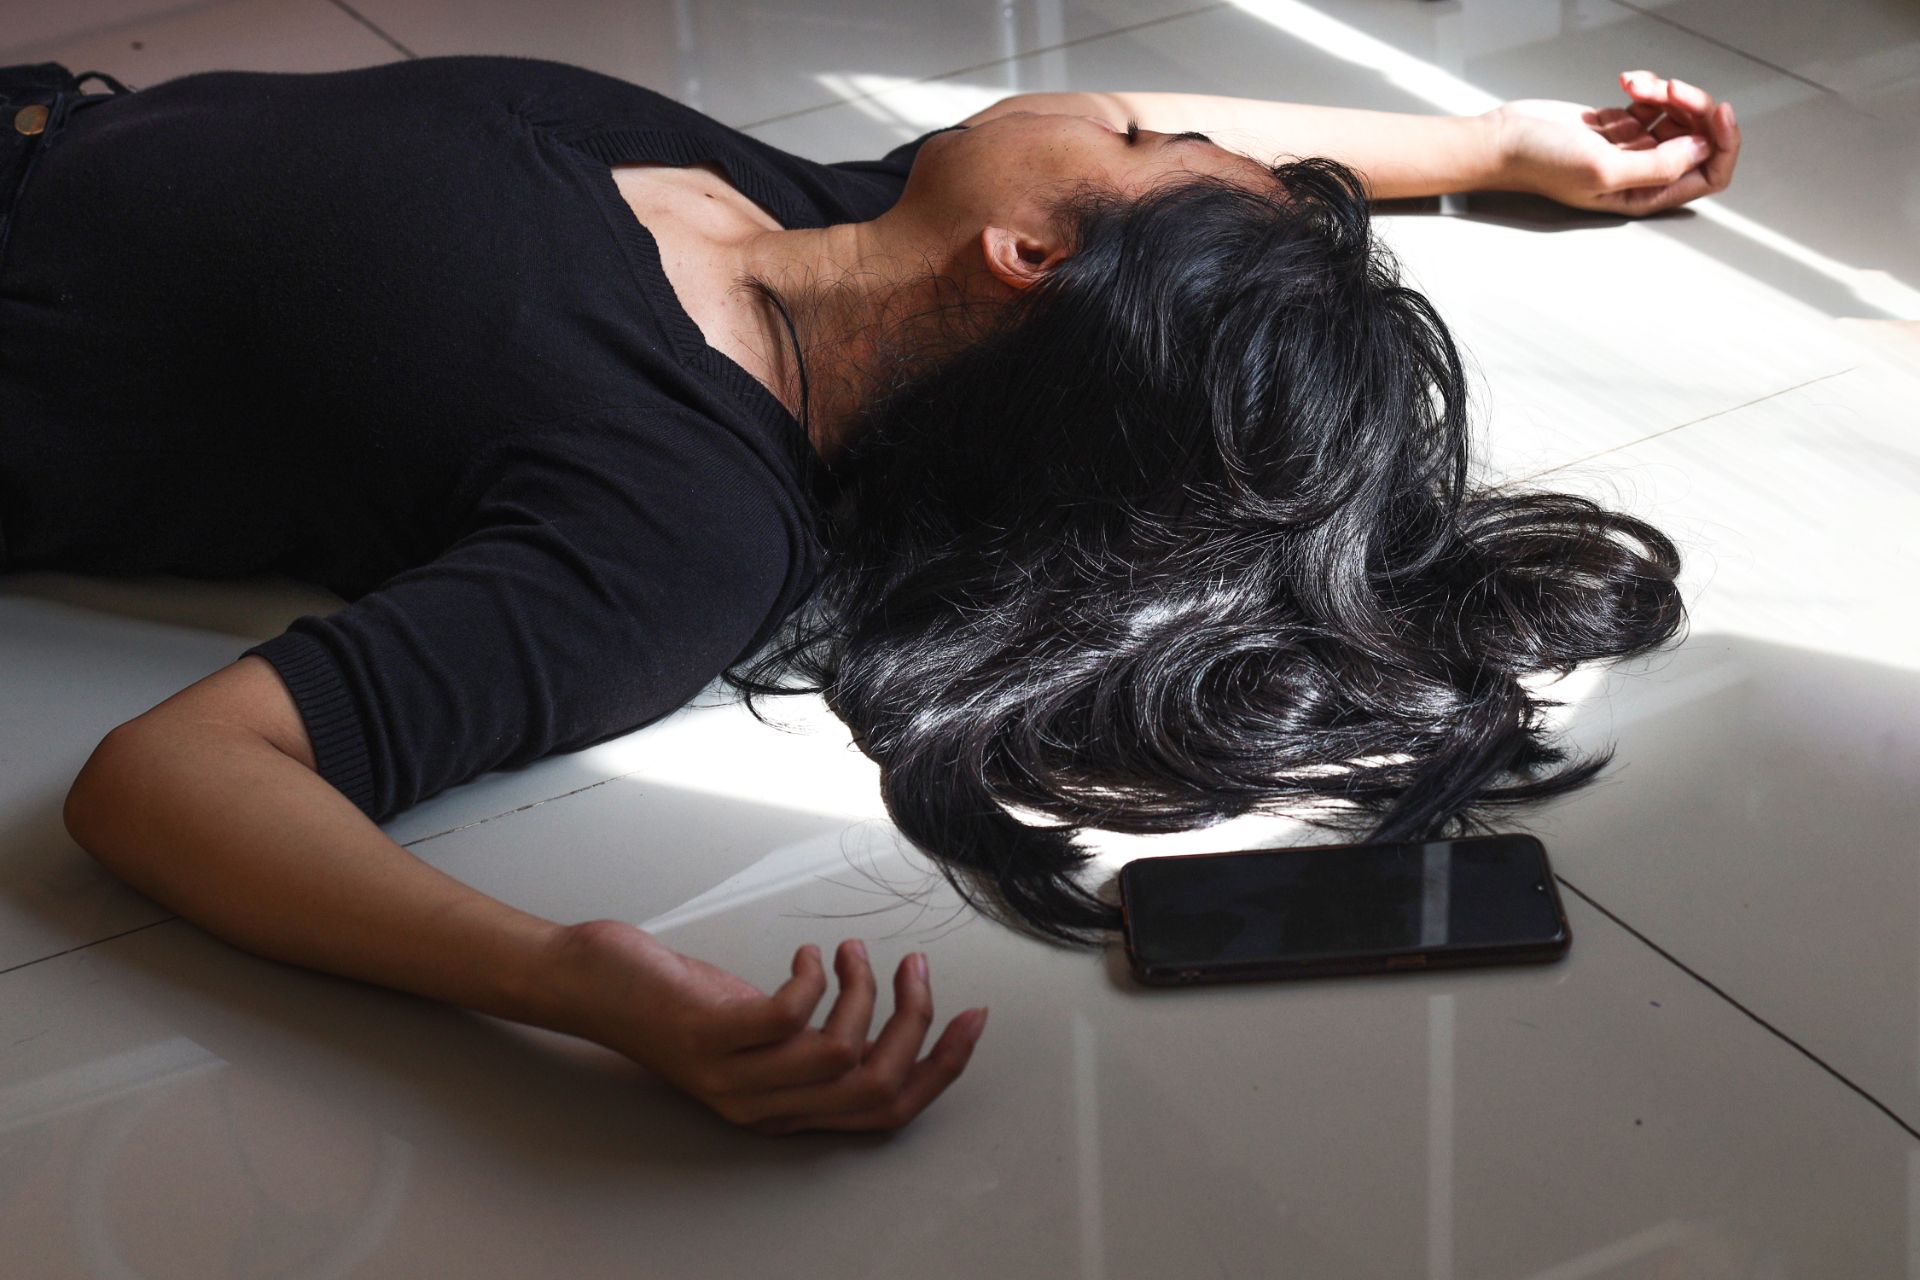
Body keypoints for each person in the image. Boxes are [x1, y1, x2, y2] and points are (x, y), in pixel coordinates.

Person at [3, 56, 1737, 1135]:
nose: (1120, 101)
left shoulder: (677, 521)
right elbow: (1182, 172)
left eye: (1144, 134)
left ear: (1033, 257)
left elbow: (164, 780)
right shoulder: (833, 239)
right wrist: (1498, 142)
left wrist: (573, 976)